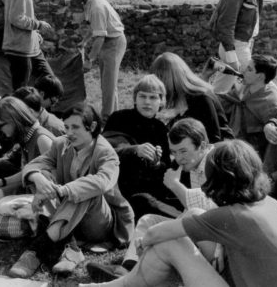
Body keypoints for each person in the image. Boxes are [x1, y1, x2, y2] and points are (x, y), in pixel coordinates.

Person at [83, 140, 277, 287]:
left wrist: (145, 242)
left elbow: (156, 234)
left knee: (170, 243)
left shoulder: (232, 217)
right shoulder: (270, 204)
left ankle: (116, 285)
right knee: (194, 213)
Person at [8, 103, 134, 279]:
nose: (69, 132)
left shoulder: (106, 153)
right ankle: (71, 249)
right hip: (70, 217)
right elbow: (36, 164)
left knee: (85, 189)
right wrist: (38, 179)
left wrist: (62, 191)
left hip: (100, 224)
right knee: (44, 175)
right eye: (66, 127)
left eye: (75, 127)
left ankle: (36, 250)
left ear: (92, 127)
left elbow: (102, 183)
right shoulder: (61, 144)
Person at [86, 118, 217, 282]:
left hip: (219, 245)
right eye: (174, 152)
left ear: (203, 146)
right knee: (148, 220)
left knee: (185, 218)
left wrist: (175, 185)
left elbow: (203, 213)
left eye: (183, 151)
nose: (178, 158)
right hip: (205, 232)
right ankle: (127, 268)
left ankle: (143, 274)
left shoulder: (215, 162)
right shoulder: (196, 162)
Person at [0, 96, 55, 225]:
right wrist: (2, 182)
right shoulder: (26, 137)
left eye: (1, 125)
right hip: (28, 189)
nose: (0, 130)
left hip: (44, 198)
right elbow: (26, 172)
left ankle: (37, 223)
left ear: (13, 120)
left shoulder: (42, 139)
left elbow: (56, 181)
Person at [209, 0, 275, 93]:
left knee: (220, 90)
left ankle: (208, 110)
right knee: (262, 82)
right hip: (236, 47)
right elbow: (225, 23)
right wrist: (232, 58)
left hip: (241, 46)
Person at [64, 0, 126, 121]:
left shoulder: (96, 6)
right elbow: (95, 27)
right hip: (108, 42)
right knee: (108, 85)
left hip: (114, 43)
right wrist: (85, 41)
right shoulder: (89, 3)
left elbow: (100, 37)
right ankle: (113, 117)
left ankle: (106, 119)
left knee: (108, 86)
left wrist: (89, 60)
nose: (71, 0)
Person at [101, 74, 170, 202]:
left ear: (161, 102)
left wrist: (156, 163)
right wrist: (134, 150)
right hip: (115, 187)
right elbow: (103, 151)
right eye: (142, 96)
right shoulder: (119, 118)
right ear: (135, 99)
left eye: (153, 97)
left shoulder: (161, 129)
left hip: (147, 192)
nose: (147, 102)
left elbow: (167, 168)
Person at [150, 52, 234, 143]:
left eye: (161, 79)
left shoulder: (202, 98)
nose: (158, 85)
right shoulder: (184, 99)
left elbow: (214, 138)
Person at [3, 0, 54, 90]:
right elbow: (16, 18)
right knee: (21, 91)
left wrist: (35, 33)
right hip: (19, 48)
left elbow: (23, 15)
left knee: (50, 83)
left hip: (28, 47)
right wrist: (39, 24)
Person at [215, 54, 277, 155]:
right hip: (232, 140)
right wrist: (205, 77)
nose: (243, 72)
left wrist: (270, 125)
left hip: (251, 152)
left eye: (249, 69)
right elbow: (219, 103)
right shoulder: (244, 87)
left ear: (260, 76)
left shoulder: (269, 100)